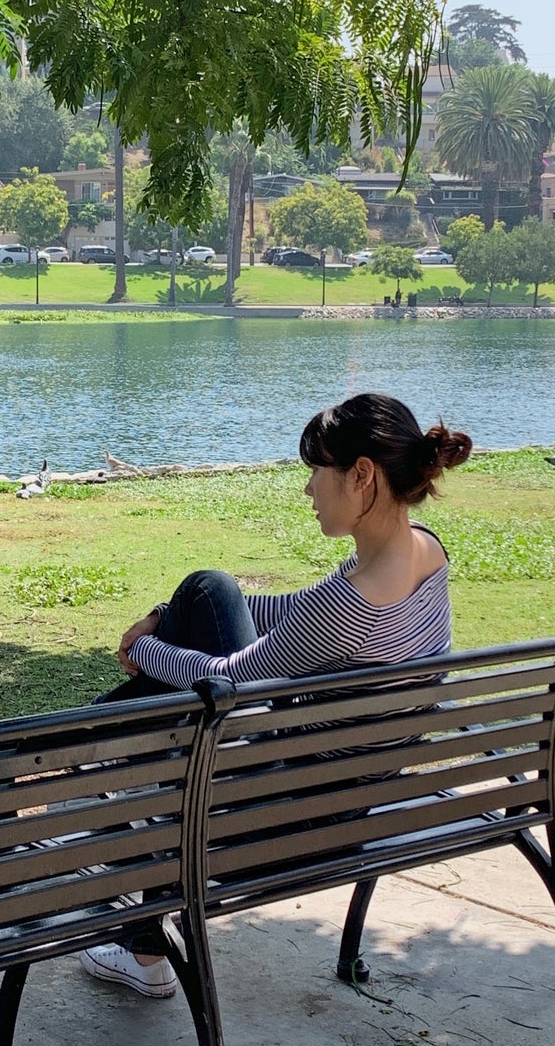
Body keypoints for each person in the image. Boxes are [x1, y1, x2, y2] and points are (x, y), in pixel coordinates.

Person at [79, 392, 473, 1000]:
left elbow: (228, 680)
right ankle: (97, 748)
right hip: (359, 798)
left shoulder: (353, 605)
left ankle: (84, 747)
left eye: (317, 471)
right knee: (209, 593)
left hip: (286, 813)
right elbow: (293, 615)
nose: (309, 490)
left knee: (198, 616)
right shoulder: (426, 550)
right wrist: (163, 615)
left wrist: (144, 649)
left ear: (362, 474)